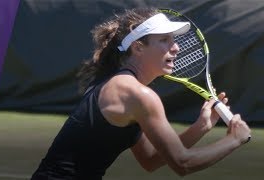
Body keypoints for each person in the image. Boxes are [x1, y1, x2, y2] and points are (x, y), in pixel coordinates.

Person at [31, 7, 251, 179]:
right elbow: (183, 164)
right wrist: (233, 140)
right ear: (138, 48)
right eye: (164, 40)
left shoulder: (121, 85)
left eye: (173, 40)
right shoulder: (136, 94)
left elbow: (150, 160)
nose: (176, 48)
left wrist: (200, 127)